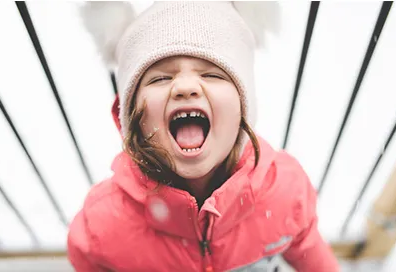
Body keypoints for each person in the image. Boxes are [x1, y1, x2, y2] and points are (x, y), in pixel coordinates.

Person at [68, 2, 339, 271]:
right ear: (131, 116)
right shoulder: (103, 222)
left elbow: (309, 250)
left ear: (244, 107)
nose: (185, 87)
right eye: (160, 79)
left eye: (211, 74)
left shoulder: (284, 191)